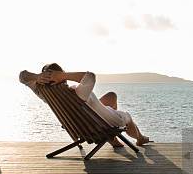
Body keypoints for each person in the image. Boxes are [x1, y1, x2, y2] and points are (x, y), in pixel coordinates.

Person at [19, 63, 151, 147]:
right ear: (60, 77)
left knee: (111, 96)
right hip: (102, 124)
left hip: (86, 119)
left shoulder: (42, 92)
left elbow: (22, 76)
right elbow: (90, 76)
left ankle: (113, 139)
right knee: (126, 117)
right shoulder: (78, 92)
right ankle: (140, 138)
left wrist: (37, 76)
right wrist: (63, 75)